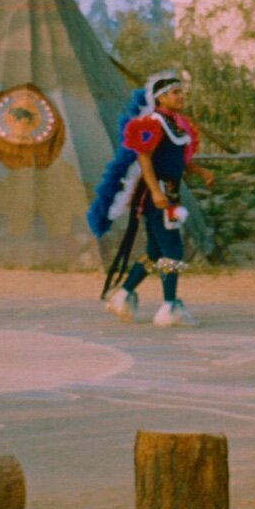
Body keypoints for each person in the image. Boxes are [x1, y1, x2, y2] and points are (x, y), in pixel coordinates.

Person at [88, 68, 209, 327]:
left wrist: (199, 171)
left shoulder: (175, 125)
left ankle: (122, 295)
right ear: (161, 97)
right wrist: (155, 192)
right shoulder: (153, 123)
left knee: (155, 251)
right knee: (173, 249)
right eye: (175, 93)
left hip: (169, 191)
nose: (180, 97)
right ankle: (169, 307)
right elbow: (144, 157)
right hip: (160, 194)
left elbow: (177, 159)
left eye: (181, 92)